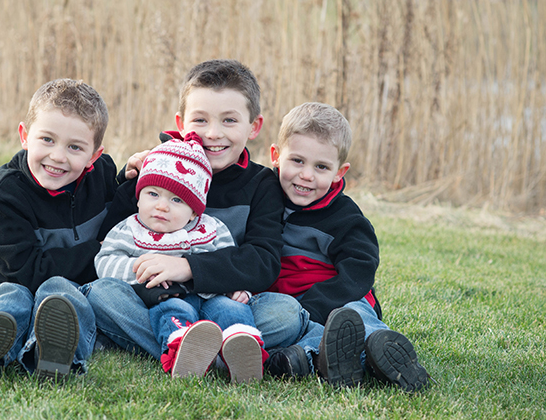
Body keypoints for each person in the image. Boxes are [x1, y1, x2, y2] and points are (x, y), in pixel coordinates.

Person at [86, 59, 303, 368]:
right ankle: (206, 351)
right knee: (101, 293)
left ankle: (189, 347)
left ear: (254, 126)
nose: (213, 133)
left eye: (229, 121)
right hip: (160, 300)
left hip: (227, 302)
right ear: (181, 121)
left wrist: (186, 267)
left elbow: (263, 261)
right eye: (200, 120)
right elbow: (112, 233)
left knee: (285, 313)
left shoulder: (261, 184)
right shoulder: (161, 166)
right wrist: (127, 180)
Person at [0, 78, 119, 382]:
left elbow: (126, 221)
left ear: (94, 156)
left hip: (66, 295)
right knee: (13, 298)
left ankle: (55, 355)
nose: (58, 156)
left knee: (63, 295)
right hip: (10, 282)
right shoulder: (5, 195)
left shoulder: (104, 175)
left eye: (75, 147)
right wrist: (97, 253)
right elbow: (23, 270)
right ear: (24, 135)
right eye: (47, 139)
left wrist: (139, 177)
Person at [264, 102, 430, 392]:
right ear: (276, 156)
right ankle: (319, 359)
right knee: (309, 328)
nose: (306, 175)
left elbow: (359, 269)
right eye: (297, 161)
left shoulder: (345, 216)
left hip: (340, 295)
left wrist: (319, 303)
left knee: (353, 317)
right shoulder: (264, 199)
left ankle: (385, 351)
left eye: (321, 167)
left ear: (340, 172)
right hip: (293, 304)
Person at [95, 132, 267, 383]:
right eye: (152, 194)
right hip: (166, 295)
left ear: (193, 211)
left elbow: (231, 261)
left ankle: (241, 348)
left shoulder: (211, 228)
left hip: (212, 295)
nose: (162, 206)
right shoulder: (129, 228)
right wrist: (138, 267)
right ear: (139, 196)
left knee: (231, 309)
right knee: (173, 310)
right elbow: (105, 260)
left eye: (176, 199)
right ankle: (184, 349)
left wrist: (240, 289)